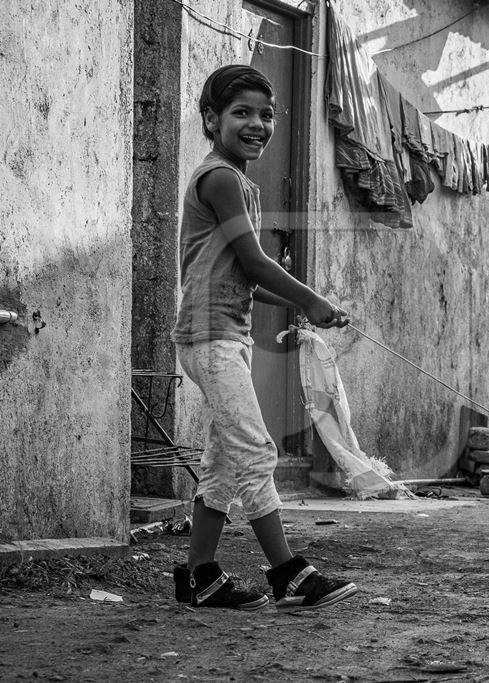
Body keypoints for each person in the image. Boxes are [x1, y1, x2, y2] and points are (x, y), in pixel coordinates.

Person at [170, 64, 356, 611]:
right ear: (211, 119)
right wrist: (309, 300)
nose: (257, 124)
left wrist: (312, 309)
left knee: (224, 465)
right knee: (256, 453)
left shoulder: (239, 183)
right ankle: (288, 573)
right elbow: (254, 261)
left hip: (225, 335)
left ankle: (201, 577)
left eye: (266, 115)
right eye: (241, 113)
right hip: (210, 337)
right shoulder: (221, 179)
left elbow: (247, 274)